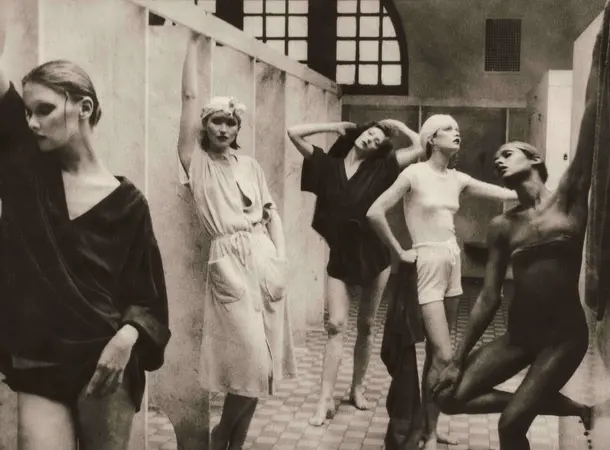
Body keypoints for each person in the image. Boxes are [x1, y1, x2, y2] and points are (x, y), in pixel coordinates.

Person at [426, 15, 607, 447]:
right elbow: (488, 296)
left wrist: (601, 55)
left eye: (508, 154)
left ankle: (529, 405)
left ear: (536, 160)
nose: (499, 161)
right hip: (518, 336)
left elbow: (591, 120)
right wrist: (456, 358)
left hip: (563, 337)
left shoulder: (568, 199)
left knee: (511, 426)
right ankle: (568, 406)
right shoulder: (502, 225)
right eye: (496, 160)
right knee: (450, 398)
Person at [0, 7, 170, 450]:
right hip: (39, 359)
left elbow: (149, 300)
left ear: (83, 107)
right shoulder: (23, 173)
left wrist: (127, 338)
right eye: (27, 111)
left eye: (45, 110)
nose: (33, 122)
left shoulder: (130, 204)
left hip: (104, 363)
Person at [367, 114, 518, 449]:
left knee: (437, 357)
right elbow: (375, 211)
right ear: (431, 139)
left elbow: (506, 194)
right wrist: (399, 250)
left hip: (452, 260)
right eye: (449, 129)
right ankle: (422, 428)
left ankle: (431, 431)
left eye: (458, 130)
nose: (457, 133)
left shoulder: (458, 178)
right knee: (446, 356)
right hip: (426, 261)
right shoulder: (414, 174)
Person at [178, 31, 296, 450]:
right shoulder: (196, 164)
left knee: (262, 371)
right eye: (216, 121)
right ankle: (220, 436)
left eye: (231, 121)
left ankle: (232, 443)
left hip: (263, 258)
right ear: (204, 127)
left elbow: (271, 214)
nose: (224, 128)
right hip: (228, 260)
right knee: (250, 360)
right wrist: (193, 42)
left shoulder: (250, 164)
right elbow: (190, 97)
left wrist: (281, 260)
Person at [287, 117, 424, 426]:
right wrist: (331, 126)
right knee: (335, 325)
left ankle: (357, 387)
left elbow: (419, 148)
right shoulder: (328, 164)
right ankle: (324, 400)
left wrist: (397, 127)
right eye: (369, 135)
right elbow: (293, 132)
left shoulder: (383, 166)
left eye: (377, 141)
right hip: (342, 254)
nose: (370, 141)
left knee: (367, 325)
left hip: (375, 253)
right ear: (359, 134)